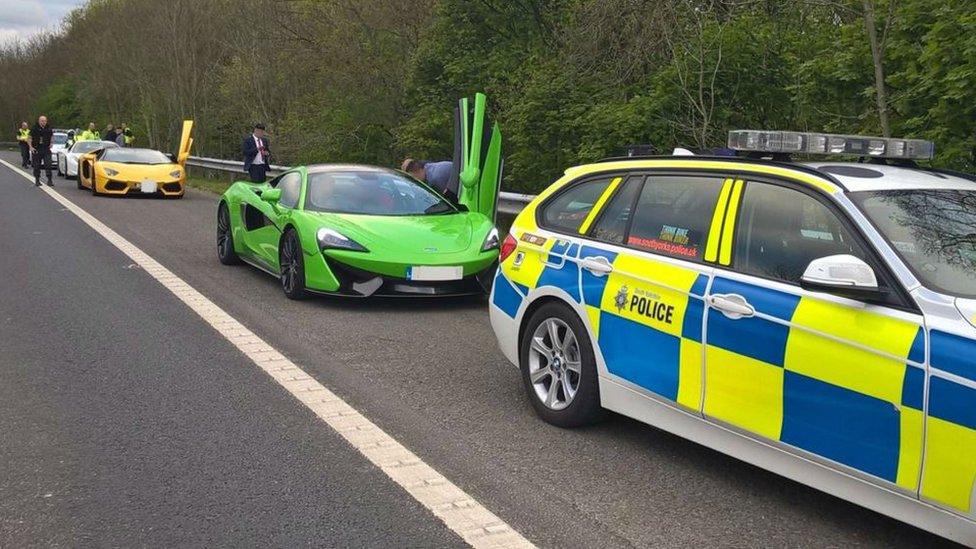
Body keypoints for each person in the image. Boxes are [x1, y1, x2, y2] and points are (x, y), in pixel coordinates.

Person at [29, 115, 54, 187]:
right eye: (42, 121)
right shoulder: (34, 128)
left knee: (48, 164)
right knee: (36, 166)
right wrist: (31, 147)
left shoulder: (49, 128)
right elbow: (29, 138)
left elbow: (52, 136)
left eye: (45, 121)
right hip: (37, 148)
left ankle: (49, 180)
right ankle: (37, 180)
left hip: (46, 148)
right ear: (39, 121)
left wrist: (51, 143)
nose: (44, 122)